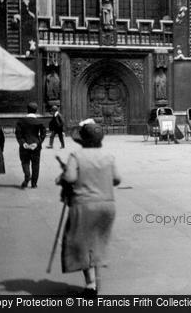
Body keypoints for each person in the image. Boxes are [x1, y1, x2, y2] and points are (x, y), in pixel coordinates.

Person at [57, 120, 121, 296]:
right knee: (98, 242)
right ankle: (96, 278)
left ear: (82, 140)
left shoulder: (76, 156)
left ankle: (91, 284)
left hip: (84, 205)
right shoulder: (108, 157)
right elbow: (116, 179)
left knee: (82, 244)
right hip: (107, 205)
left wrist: (63, 174)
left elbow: (70, 178)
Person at [15, 102, 46, 189]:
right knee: (35, 164)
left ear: (27, 110)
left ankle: (27, 175)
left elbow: (18, 134)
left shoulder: (21, 121)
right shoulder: (39, 122)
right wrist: (37, 143)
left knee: (25, 162)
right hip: (35, 146)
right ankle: (34, 183)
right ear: (36, 111)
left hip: (24, 146)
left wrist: (23, 143)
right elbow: (43, 134)